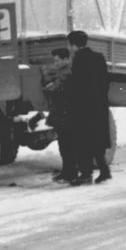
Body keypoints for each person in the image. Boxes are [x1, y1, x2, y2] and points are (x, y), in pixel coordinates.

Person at [66, 30, 112, 186]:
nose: (69, 47)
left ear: (74, 45)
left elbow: (77, 85)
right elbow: (105, 81)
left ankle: (86, 175)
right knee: (97, 140)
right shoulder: (99, 57)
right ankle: (104, 172)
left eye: (69, 44)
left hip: (83, 107)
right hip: (99, 105)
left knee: (82, 142)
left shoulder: (79, 59)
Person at [41, 47, 76, 182]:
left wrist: (46, 78)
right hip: (62, 114)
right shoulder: (62, 72)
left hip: (68, 114)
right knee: (63, 144)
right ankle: (66, 171)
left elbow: (54, 87)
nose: (55, 63)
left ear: (66, 59)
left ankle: (71, 173)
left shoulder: (69, 72)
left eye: (57, 60)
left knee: (68, 144)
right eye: (54, 61)